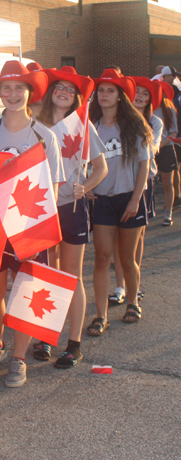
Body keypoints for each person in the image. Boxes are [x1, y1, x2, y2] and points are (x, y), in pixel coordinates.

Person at [0, 60, 65, 387]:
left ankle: (19, 358)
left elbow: (53, 190)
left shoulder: (45, 136)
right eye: (6, 88)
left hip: (29, 228)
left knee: (28, 291)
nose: (12, 94)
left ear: (30, 92)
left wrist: (48, 235)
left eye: (19, 88)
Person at [35, 66, 108, 367]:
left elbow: (101, 169)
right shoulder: (34, 123)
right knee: (47, 274)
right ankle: (45, 337)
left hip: (71, 209)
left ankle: (74, 344)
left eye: (70, 89)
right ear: (51, 92)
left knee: (70, 275)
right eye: (58, 87)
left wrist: (85, 187)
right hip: (41, 208)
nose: (63, 92)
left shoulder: (82, 125)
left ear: (76, 97)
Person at [88, 69, 152, 334]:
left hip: (128, 199)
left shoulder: (134, 125)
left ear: (120, 96)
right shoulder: (89, 124)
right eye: (101, 90)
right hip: (102, 200)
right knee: (102, 258)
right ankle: (101, 315)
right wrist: (87, 184)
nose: (104, 95)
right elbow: (77, 158)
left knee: (127, 258)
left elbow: (144, 164)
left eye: (110, 91)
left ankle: (133, 302)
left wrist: (135, 200)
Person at [109, 77, 163, 304]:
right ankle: (120, 286)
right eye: (136, 92)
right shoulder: (116, 120)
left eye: (145, 93)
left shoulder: (154, 122)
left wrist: (138, 127)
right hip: (118, 184)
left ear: (151, 100)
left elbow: (153, 149)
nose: (139, 96)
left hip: (143, 184)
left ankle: (134, 285)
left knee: (136, 238)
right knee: (115, 240)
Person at [154, 80, 179, 226]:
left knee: (167, 183)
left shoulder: (169, 109)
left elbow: (173, 131)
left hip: (165, 149)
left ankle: (168, 213)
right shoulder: (147, 107)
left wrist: (159, 145)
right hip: (148, 151)